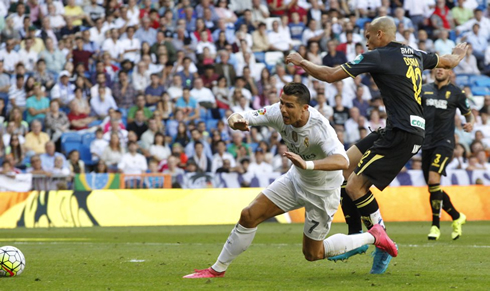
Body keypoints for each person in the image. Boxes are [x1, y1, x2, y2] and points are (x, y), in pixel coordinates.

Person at [286, 16, 468, 273]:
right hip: (398, 128)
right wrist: (458, 55)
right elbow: (448, 61)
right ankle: (355, 237)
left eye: (369, 36)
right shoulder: (414, 53)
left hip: (403, 133)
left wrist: (301, 61)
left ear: (381, 34)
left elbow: (329, 75)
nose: (367, 40)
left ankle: (383, 245)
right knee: (343, 168)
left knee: (355, 186)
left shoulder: (379, 56)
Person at [183, 83, 397, 279]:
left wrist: (308, 165)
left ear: (305, 108)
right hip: (295, 180)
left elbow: (342, 161)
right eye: (282, 103)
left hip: (322, 192)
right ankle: (217, 270)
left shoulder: (320, 128)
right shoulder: (278, 112)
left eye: (290, 106)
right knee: (249, 215)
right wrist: (235, 121)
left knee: (312, 253)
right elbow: (243, 115)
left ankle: (373, 236)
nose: (283, 109)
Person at [421, 68, 474, 241]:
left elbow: (468, 114)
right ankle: (457, 216)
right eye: (437, 67)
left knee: (433, 180)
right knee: (433, 187)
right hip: (426, 143)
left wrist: (470, 124)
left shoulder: (457, 93)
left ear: (450, 72)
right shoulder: (424, 89)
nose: (440, 70)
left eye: (444, 68)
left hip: (445, 143)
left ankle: (435, 226)